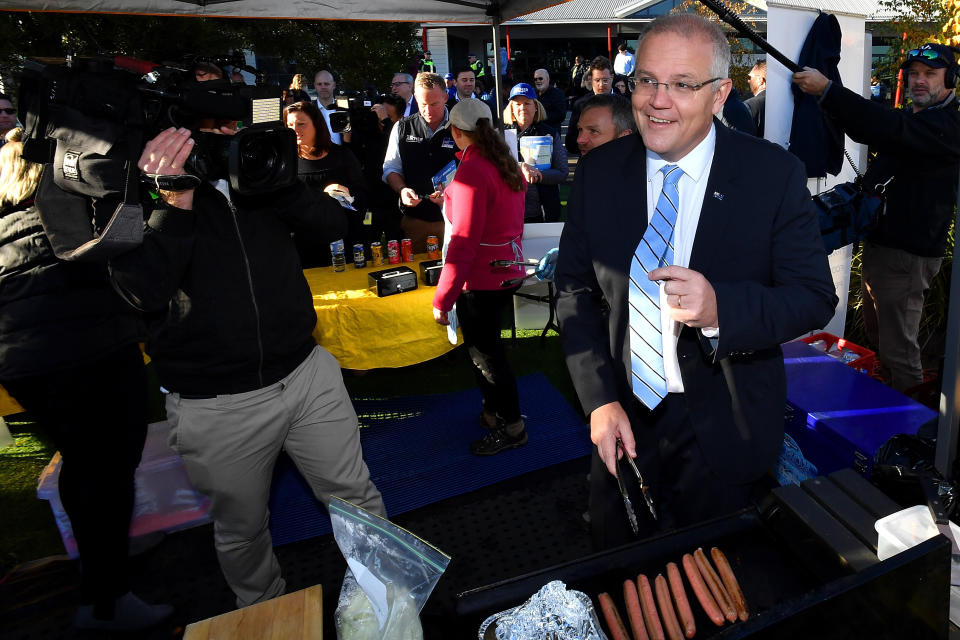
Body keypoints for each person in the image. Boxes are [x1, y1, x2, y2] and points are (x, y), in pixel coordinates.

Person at [555, 14, 837, 550]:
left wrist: (720, 310)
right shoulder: (598, 172)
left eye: (682, 85)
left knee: (718, 589)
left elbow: (813, 296)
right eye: (646, 81)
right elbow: (573, 292)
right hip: (622, 419)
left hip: (726, 426)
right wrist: (598, 400)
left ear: (719, 94)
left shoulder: (772, 175)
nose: (658, 100)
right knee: (624, 578)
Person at [109, 122, 386, 608]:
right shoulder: (132, 180)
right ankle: (265, 616)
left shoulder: (261, 169)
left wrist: (279, 183)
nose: (225, 131)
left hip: (306, 372)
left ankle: (389, 607)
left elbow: (332, 227)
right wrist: (173, 199)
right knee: (243, 530)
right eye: (210, 121)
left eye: (230, 118)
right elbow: (141, 290)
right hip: (216, 403)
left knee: (357, 499)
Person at [0, 128, 172, 632]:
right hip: (90, 349)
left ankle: (103, 568)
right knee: (111, 467)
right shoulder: (66, 207)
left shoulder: (6, 222)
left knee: (82, 464)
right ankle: (108, 598)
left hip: (24, 364)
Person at [795, 43, 960, 392]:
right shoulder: (919, 119)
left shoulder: (946, 125)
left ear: (951, 80)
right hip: (884, 249)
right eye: (913, 73)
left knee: (898, 352)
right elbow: (874, 128)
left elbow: (887, 126)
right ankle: (887, 409)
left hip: (906, 257)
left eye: (930, 74)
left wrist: (827, 90)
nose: (918, 81)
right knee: (882, 343)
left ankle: (908, 435)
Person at [432, 99, 527, 455]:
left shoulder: (474, 170)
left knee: (488, 358)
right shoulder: (503, 162)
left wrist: (442, 299)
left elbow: (463, 243)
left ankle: (512, 426)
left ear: (457, 132)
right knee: (491, 352)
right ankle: (492, 412)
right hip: (506, 270)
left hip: (484, 278)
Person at [382, 72, 457, 253]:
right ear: (415, 98)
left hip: (453, 220)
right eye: (423, 104)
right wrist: (402, 190)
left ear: (445, 97)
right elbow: (391, 168)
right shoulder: (402, 127)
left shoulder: (460, 126)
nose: (428, 111)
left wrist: (452, 195)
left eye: (434, 104)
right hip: (415, 220)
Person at [284, 100, 362, 266]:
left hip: (342, 242)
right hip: (304, 245)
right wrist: (323, 196)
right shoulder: (286, 163)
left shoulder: (342, 155)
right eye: (290, 125)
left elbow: (363, 193)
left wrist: (346, 193)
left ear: (317, 125)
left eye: (301, 124)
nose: (295, 130)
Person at [503, 83, 568, 223]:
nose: (522, 108)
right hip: (509, 209)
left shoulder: (549, 134)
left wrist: (537, 175)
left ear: (536, 107)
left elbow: (562, 172)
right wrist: (520, 167)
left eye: (527, 103)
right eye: (517, 104)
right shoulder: (501, 135)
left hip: (543, 209)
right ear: (511, 109)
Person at [565, 56, 622, 155]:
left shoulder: (625, 104)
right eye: (597, 80)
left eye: (605, 80)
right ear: (591, 79)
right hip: (588, 162)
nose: (601, 85)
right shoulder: (581, 105)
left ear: (612, 78)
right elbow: (570, 143)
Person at [313, 69, 347, 145]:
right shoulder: (309, 109)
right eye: (319, 84)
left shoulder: (344, 107)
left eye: (326, 84)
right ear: (315, 86)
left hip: (342, 154)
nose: (323, 87)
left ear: (334, 85)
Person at [743, 59, 766, 137]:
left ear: (761, 80)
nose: (748, 81)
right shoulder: (784, 104)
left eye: (750, 77)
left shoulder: (749, 105)